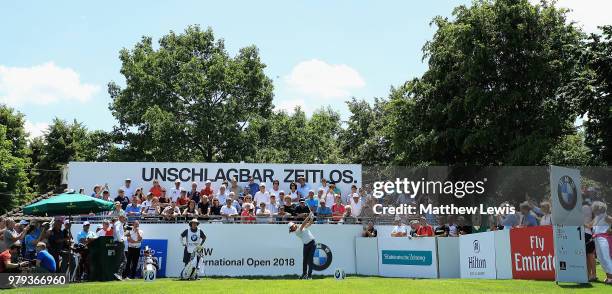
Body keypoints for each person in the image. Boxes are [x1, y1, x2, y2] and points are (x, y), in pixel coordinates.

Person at [288, 213, 316, 279]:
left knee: (310, 260)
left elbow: (310, 223)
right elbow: (303, 224)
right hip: (306, 245)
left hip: (312, 243)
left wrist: (312, 217)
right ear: (292, 229)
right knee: (305, 260)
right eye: (292, 227)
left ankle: (309, 276)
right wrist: (309, 216)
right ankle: (304, 274)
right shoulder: (297, 232)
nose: (294, 226)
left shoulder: (300, 227)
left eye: (293, 225)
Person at [590, 201, 612, 284]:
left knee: (606, 258)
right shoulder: (597, 217)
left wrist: (610, 230)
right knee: (600, 258)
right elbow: (589, 225)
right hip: (597, 239)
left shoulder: (606, 217)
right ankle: (608, 276)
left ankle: (611, 277)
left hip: (604, 239)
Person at [113, 215, 128, 280]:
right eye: (124, 218)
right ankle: (118, 274)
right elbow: (117, 231)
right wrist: (120, 239)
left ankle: (118, 274)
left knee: (120, 260)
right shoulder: (118, 223)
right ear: (120, 218)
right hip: (119, 243)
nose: (125, 219)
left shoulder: (119, 223)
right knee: (124, 260)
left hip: (118, 243)